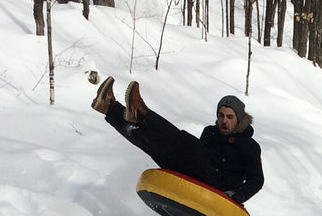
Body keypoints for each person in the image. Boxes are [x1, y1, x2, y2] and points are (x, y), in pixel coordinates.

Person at [92, 78, 264, 205]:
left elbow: (257, 180)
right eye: (221, 116)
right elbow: (190, 158)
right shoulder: (211, 133)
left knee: (187, 144)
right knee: (154, 146)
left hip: (218, 186)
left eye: (230, 117)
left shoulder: (248, 145)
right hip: (196, 173)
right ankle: (109, 108)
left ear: (239, 119)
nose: (224, 121)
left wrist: (236, 197)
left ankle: (142, 113)